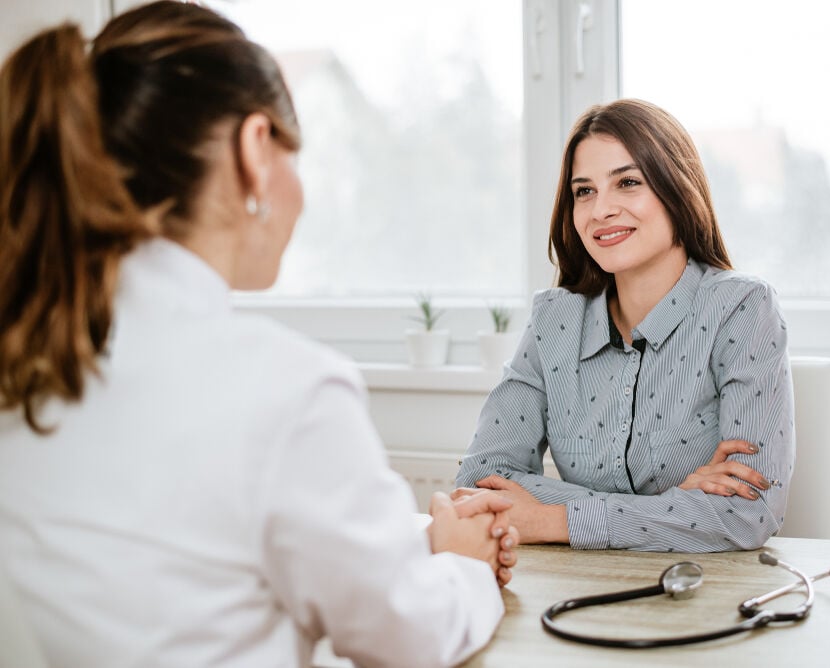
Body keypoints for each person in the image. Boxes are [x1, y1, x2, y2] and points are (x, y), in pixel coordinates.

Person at [0, 2, 517, 666]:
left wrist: (413, 545)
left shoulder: (30, 360)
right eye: (294, 156)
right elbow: (409, 639)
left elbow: (180, 553)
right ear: (254, 149)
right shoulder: (285, 389)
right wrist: (463, 566)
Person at [455, 99, 794, 553]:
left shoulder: (743, 309)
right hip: (583, 588)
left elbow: (750, 512)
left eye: (628, 183)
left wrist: (554, 519)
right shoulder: (554, 320)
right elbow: (479, 483)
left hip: (704, 596)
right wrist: (673, 506)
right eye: (584, 191)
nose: (601, 210)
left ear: (677, 189)